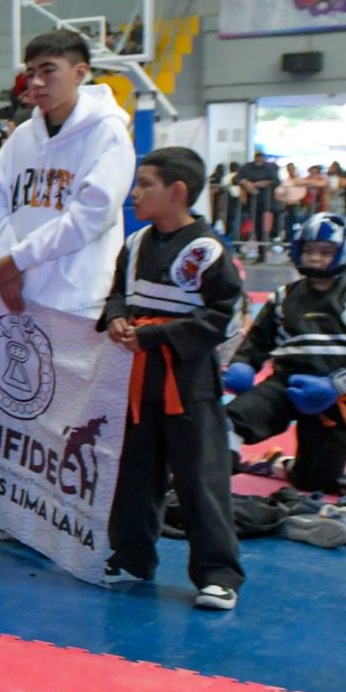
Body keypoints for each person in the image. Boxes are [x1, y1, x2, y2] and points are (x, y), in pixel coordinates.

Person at [99, 147, 244, 611]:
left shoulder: (207, 250)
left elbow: (222, 317)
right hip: (141, 381)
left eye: (144, 184)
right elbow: (117, 294)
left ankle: (218, 573)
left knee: (199, 478)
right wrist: (119, 319)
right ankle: (131, 556)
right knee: (135, 473)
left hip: (189, 384)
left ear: (177, 192)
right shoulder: (137, 243)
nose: (134, 193)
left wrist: (158, 336)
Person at [225, 213, 346, 493]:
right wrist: (243, 365)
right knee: (228, 421)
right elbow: (258, 340)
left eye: (325, 252)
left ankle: (288, 466)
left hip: (335, 395)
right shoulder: (283, 297)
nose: (315, 258)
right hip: (284, 384)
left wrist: (336, 384)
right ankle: (205, 482)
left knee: (316, 482)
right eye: (309, 251)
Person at [0, 31, 135, 327]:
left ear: (80, 73)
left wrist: (18, 259)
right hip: (18, 291)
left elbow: (92, 215)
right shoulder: (23, 136)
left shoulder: (108, 134)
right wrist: (7, 262)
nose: (36, 83)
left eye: (48, 71)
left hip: (77, 300)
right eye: (30, 73)